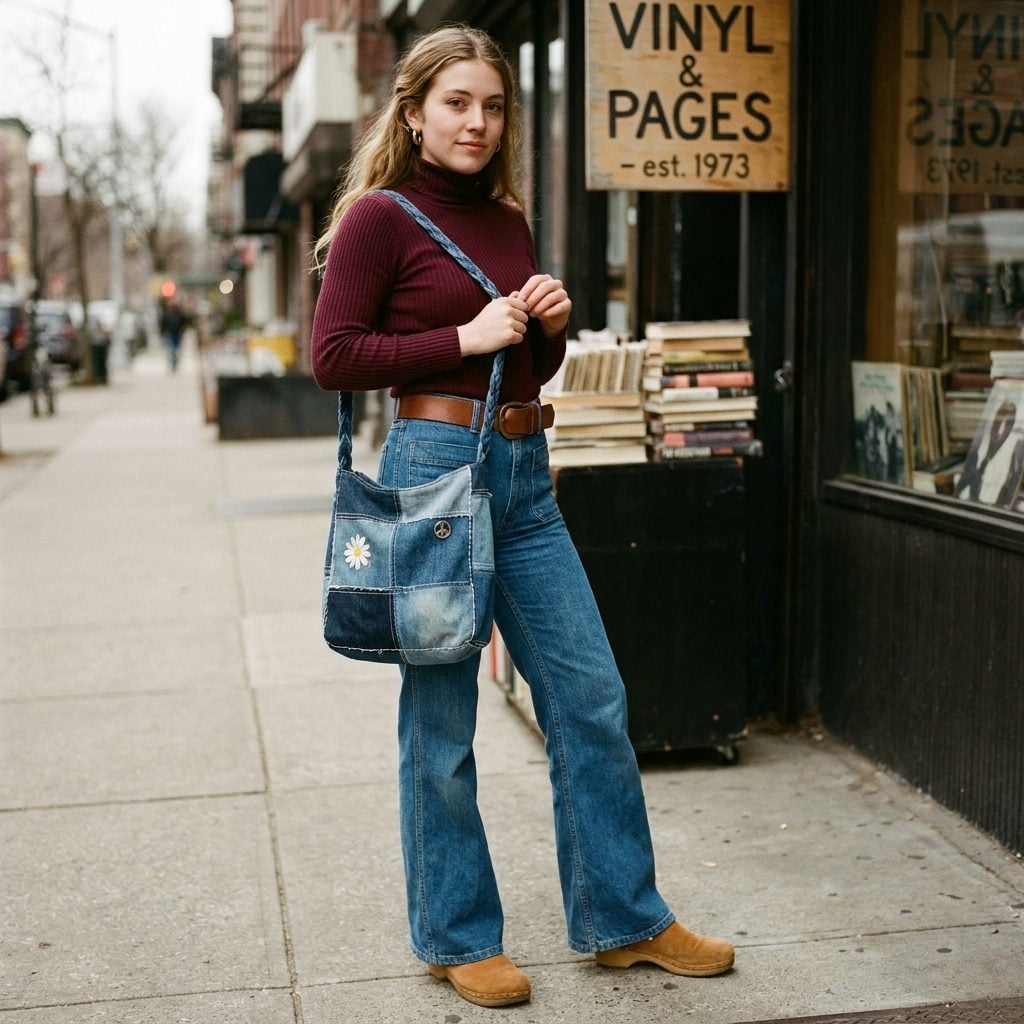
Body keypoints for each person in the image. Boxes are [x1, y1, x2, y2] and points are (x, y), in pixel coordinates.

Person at [310, 24, 734, 1010]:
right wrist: (464, 330)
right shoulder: (381, 217)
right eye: (457, 103)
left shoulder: (507, 219)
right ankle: (458, 936)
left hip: (523, 474)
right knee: (443, 727)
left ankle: (624, 917)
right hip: (432, 471)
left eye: (493, 106)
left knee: (590, 698)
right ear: (413, 113)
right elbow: (332, 355)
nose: (477, 121)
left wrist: (546, 327)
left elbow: (527, 368)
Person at [159, 299, 185, 372]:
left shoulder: (178, 313)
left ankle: (174, 361)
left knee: (175, 349)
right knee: (172, 349)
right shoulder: (168, 313)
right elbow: (163, 323)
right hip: (170, 333)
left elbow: (183, 322)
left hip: (176, 333)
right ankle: (173, 361)